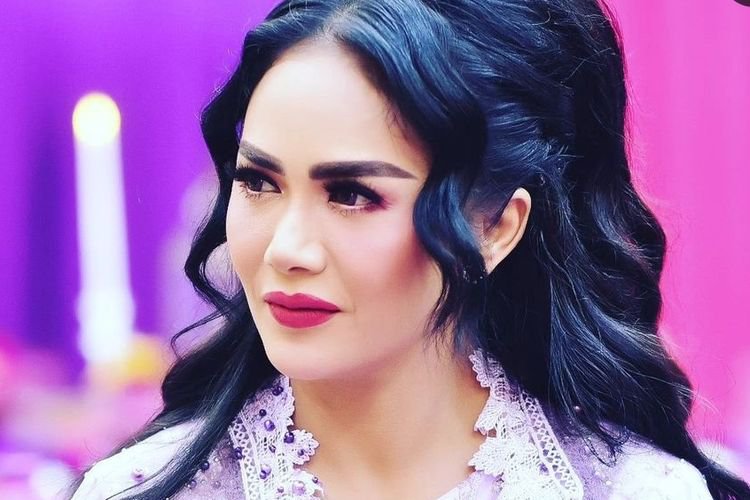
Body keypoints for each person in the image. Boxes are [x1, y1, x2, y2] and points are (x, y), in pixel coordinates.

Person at [68, 0, 750, 498]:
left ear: (496, 228)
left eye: (352, 194)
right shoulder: (137, 489)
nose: (287, 248)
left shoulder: (636, 490)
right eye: (258, 182)